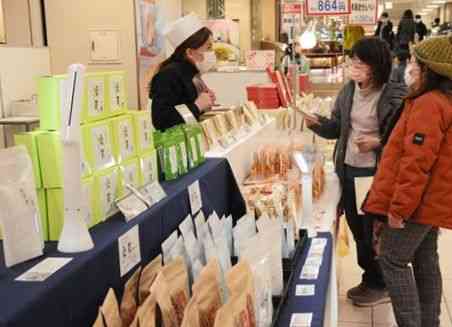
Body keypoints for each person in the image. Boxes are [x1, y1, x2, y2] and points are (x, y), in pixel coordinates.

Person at [305, 37, 406, 306]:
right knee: (355, 226)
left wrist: (378, 142)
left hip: (375, 173)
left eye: (360, 63)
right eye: (352, 61)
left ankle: (381, 283)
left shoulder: (393, 94)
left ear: (375, 66)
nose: (354, 67)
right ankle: (369, 277)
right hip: (348, 169)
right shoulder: (349, 90)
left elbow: (403, 136)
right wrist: (315, 123)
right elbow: (337, 127)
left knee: (373, 230)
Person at [363, 36, 452, 327]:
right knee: (426, 260)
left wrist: (399, 209)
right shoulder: (442, 100)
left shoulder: (428, 104)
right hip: (431, 201)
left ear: (430, 70)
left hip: (417, 202)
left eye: (415, 62)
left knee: (392, 259)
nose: (409, 67)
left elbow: (416, 164)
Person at [150, 13, 217, 130]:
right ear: (190, 52)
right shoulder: (168, 76)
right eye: (208, 48)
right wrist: (197, 106)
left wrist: (205, 101)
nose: (211, 52)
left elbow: (189, 105)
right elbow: (161, 121)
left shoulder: (191, 72)